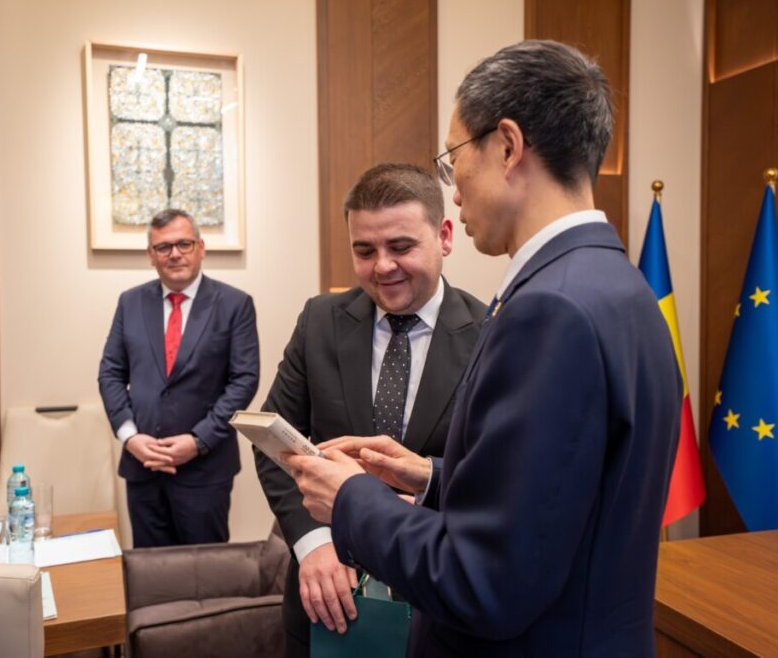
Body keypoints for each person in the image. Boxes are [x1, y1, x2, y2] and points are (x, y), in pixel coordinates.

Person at [286, 40, 682, 656]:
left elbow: (485, 581)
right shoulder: (622, 286)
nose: (455, 191)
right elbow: (559, 501)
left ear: (507, 146)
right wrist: (431, 478)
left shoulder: (549, 310)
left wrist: (351, 500)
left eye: (453, 160)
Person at [255, 163, 487, 657]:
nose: (382, 266)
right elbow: (275, 443)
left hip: (438, 606)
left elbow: (494, 475)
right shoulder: (320, 320)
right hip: (328, 602)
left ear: (444, 237)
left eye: (401, 247)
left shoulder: (490, 333)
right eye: (364, 251)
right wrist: (314, 543)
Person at [99, 209, 259, 547]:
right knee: (148, 571)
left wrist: (198, 441)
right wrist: (130, 437)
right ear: (151, 255)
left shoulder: (234, 304)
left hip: (205, 470)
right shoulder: (130, 302)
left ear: (201, 247)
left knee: (207, 569)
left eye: (184, 244)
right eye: (163, 247)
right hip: (143, 467)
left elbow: (244, 381)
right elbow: (110, 372)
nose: (174, 254)